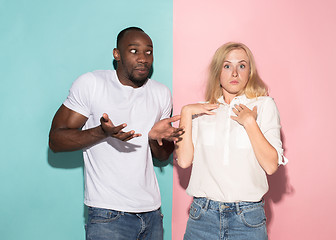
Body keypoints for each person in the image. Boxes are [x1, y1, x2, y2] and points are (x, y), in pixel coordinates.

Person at [49, 27, 183, 240]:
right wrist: (102, 132)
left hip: (152, 213)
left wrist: (155, 138)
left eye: (148, 52)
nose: (143, 58)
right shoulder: (92, 84)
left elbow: (162, 156)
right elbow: (56, 140)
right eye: (133, 51)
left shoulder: (161, 93)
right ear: (117, 54)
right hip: (107, 214)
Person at [175, 42, 288, 240]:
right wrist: (186, 112)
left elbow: (271, 166)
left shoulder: (264, 105)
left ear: (250, 71)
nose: (234, 73)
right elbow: (184, 161)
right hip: (202, 216)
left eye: (241, 66)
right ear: (218, 72)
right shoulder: (200, 110)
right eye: (227, 66)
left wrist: (249, 123)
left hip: (247, 219)